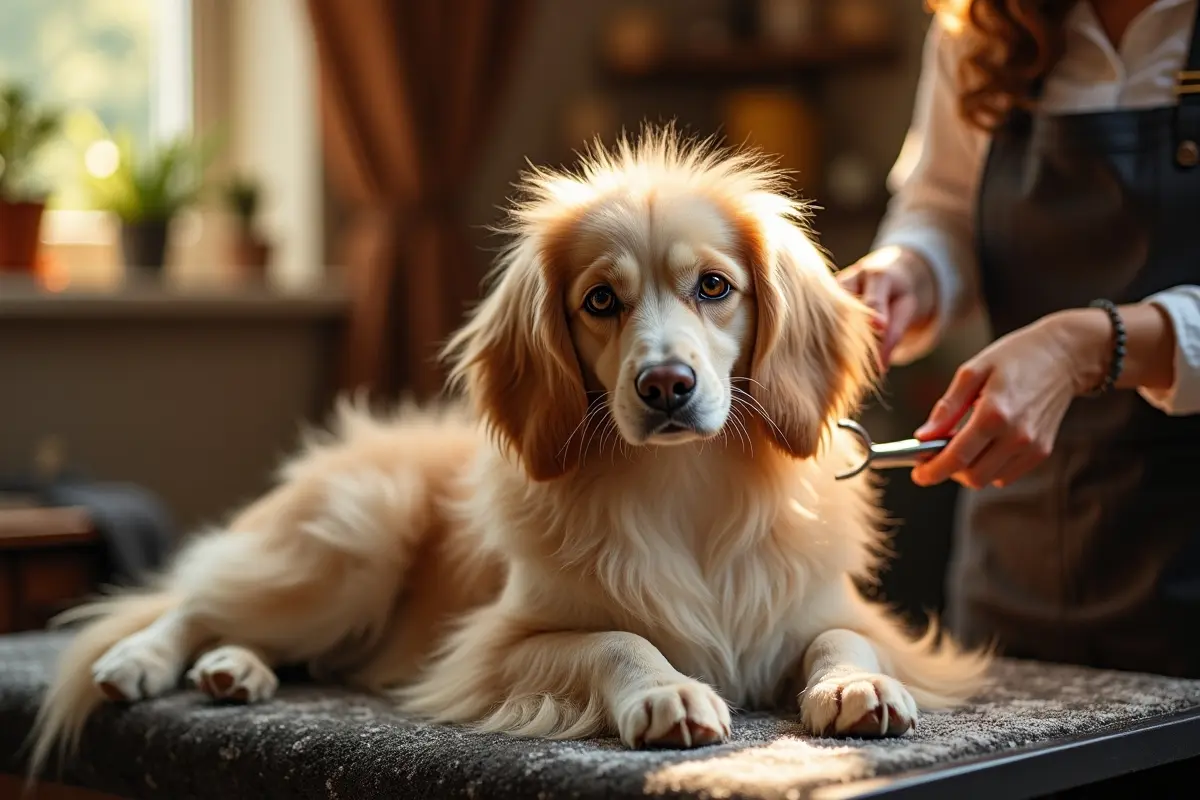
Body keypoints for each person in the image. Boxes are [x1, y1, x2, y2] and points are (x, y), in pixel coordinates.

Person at [838, 0, 1200, 678]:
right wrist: (907, 274)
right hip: (1013, 578)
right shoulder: (984, 25)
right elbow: (943, 206)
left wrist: (1084, 346)